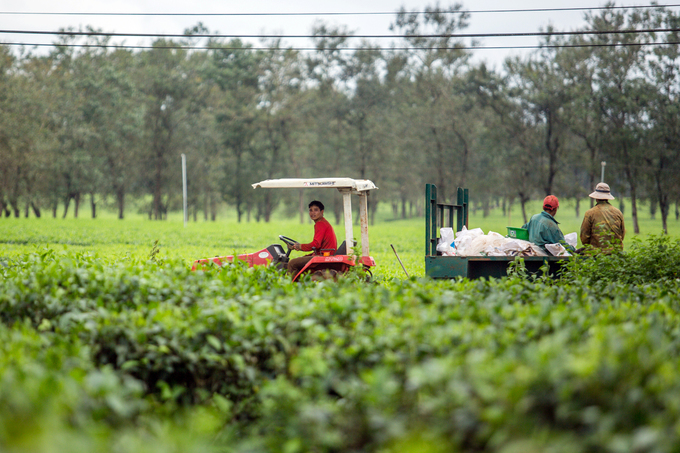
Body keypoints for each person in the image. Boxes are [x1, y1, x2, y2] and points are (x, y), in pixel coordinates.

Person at [287, 200, 337, 278]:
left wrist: (300, 246)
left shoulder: (320, 224)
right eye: (311, 210)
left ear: (322, 211)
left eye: (316, 210)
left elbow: (316, 244)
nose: (313, 213)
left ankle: (292, 286)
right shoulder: (324, 223)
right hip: (323, 254)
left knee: (292, 263)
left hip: (323, 256)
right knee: (302, 259)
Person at [580, 182, 625, 252]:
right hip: (615, 254)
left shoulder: (590, 213)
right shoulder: (618, 212)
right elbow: (622, 235)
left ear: (596, 198)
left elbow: (584, 238)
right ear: (608, 198)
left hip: (596, 254)